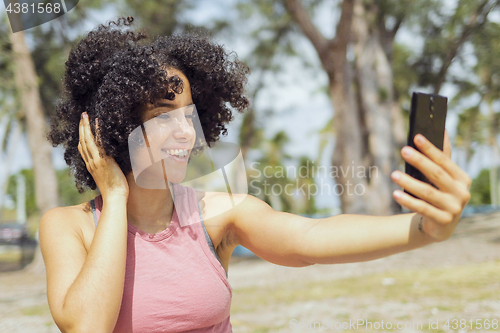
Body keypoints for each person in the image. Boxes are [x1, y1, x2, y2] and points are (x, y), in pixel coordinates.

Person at [39, 17, 471, 333]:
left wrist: (424, 228)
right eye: (163, 115)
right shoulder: (68, 226)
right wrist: (114, 197)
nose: (186, 132)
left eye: (190, 115)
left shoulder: (218, 215)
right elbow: (86, 326)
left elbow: (311, 241)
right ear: (113, 126)